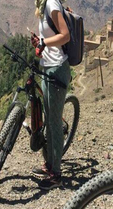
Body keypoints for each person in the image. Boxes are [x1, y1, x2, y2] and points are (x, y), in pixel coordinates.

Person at [30, 0, 71, 190]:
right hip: (47, 67)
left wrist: (44, 42)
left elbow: (65, 36)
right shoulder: (43, 5)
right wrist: (40, 42)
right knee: (49, 119)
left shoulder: (51, 4)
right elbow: (50, 37)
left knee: (54, 123)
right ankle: (49, 164)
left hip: (57, 69)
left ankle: (56, 174)